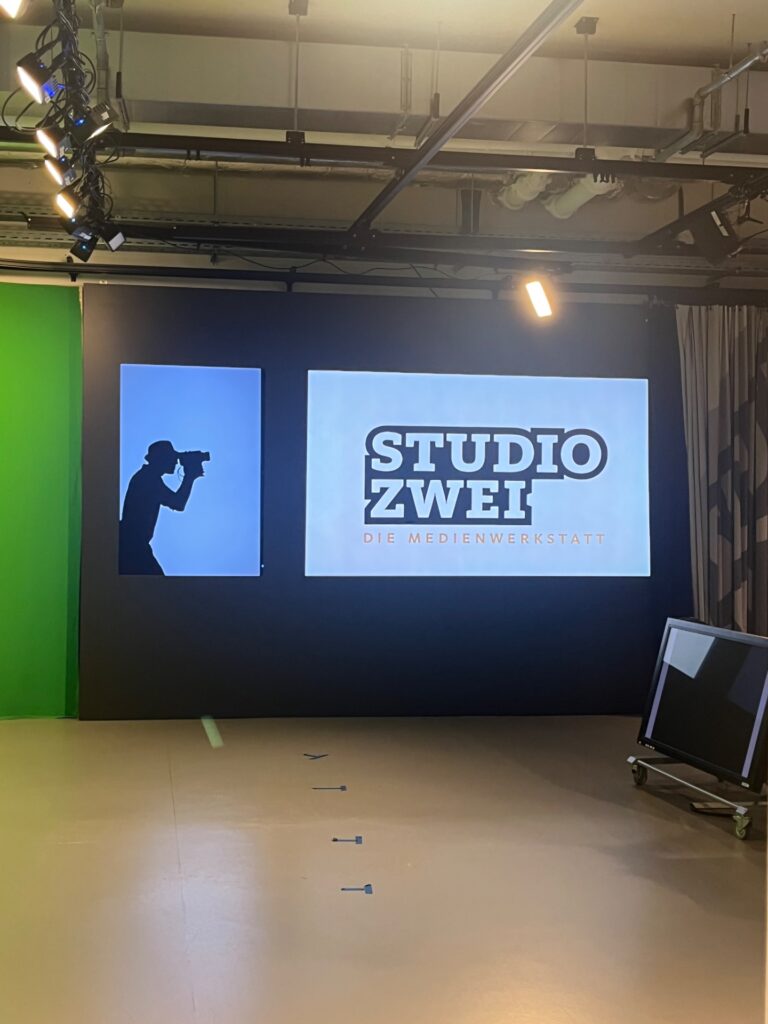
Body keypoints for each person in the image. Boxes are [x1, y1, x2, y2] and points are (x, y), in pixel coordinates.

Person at [119, 440, 205, 574]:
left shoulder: (147, 476)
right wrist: (190, 476)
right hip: (133, 546)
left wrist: (190, 475)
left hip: (133, 544)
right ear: (161, 459)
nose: (175, 461)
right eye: (172, 457)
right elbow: (178, 503)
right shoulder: (148, 478)